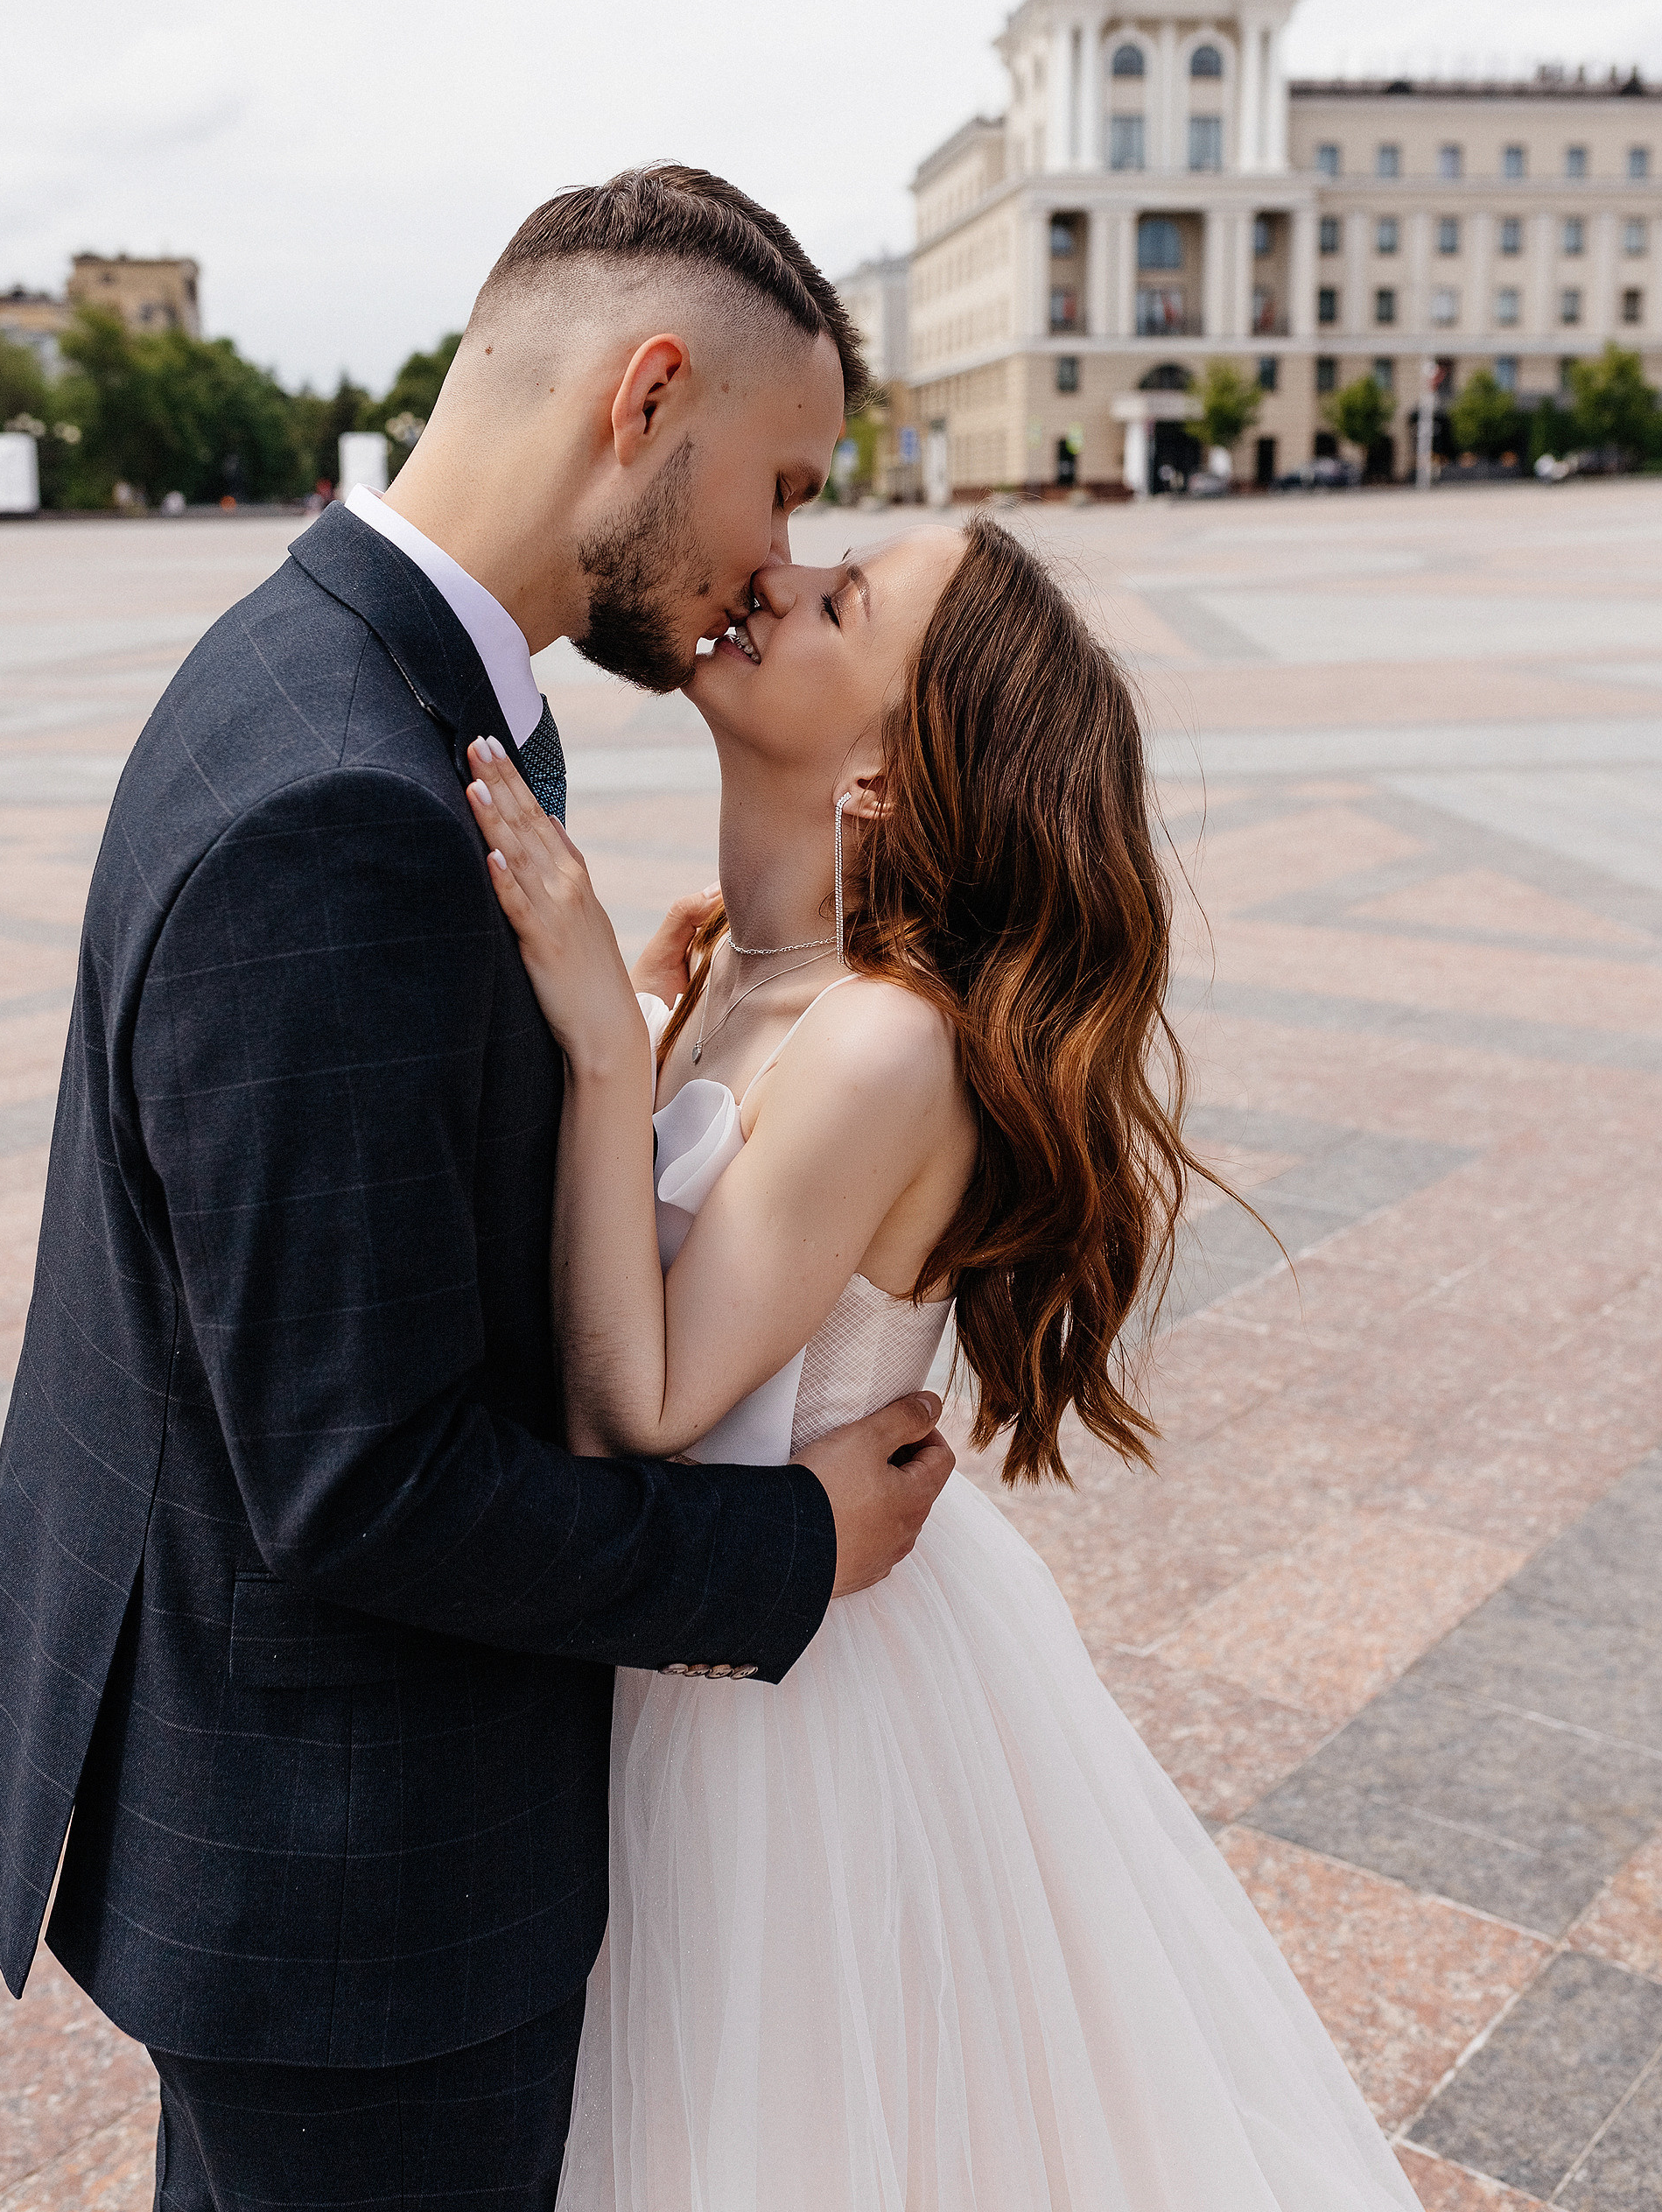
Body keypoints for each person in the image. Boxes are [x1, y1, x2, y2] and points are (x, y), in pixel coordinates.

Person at [0, 167, 954, 2212]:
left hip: (293, 1838)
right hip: (357, 1888)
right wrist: (786, 1551)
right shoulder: (344, 791)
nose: (774, 558)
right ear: (645, 398)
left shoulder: (348, 674)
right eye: (779, 483)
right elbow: (362, 1480)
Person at [458, 515, 1424, 2208]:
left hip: (777, 1718)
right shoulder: (739, 973)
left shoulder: (884, 1041)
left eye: (839, 604)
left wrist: (605, 1052)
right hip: (678, 1639)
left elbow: (641, 1407)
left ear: (885, 781)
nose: (773, 575)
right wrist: (645, 1016)